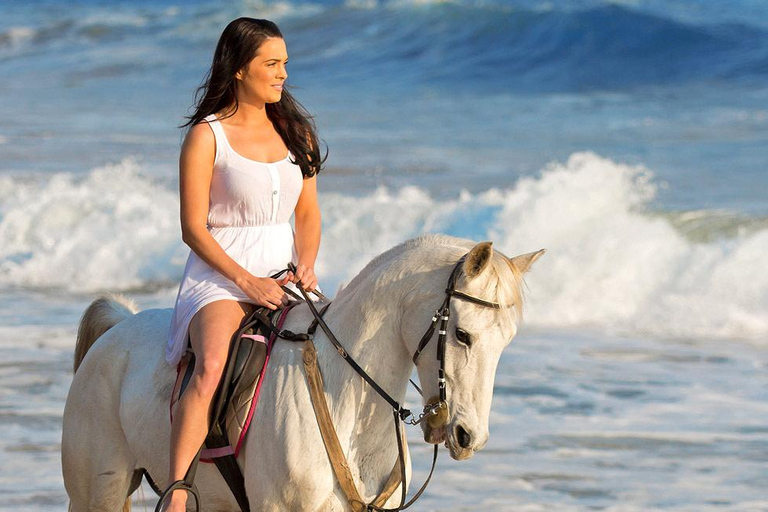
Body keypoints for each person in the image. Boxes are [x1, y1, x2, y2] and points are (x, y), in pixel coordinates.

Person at [162, 17, 325, 511]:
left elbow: (309, 213)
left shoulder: (296, 132)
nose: (282, 75)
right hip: (221, 277)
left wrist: (308, 265)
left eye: (285, 65)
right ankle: (176, 493)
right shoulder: (206, 136)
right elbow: (193, 229)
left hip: (285, 274)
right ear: (238, 69)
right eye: (271, 64)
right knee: (211, 366)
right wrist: (246, 281)